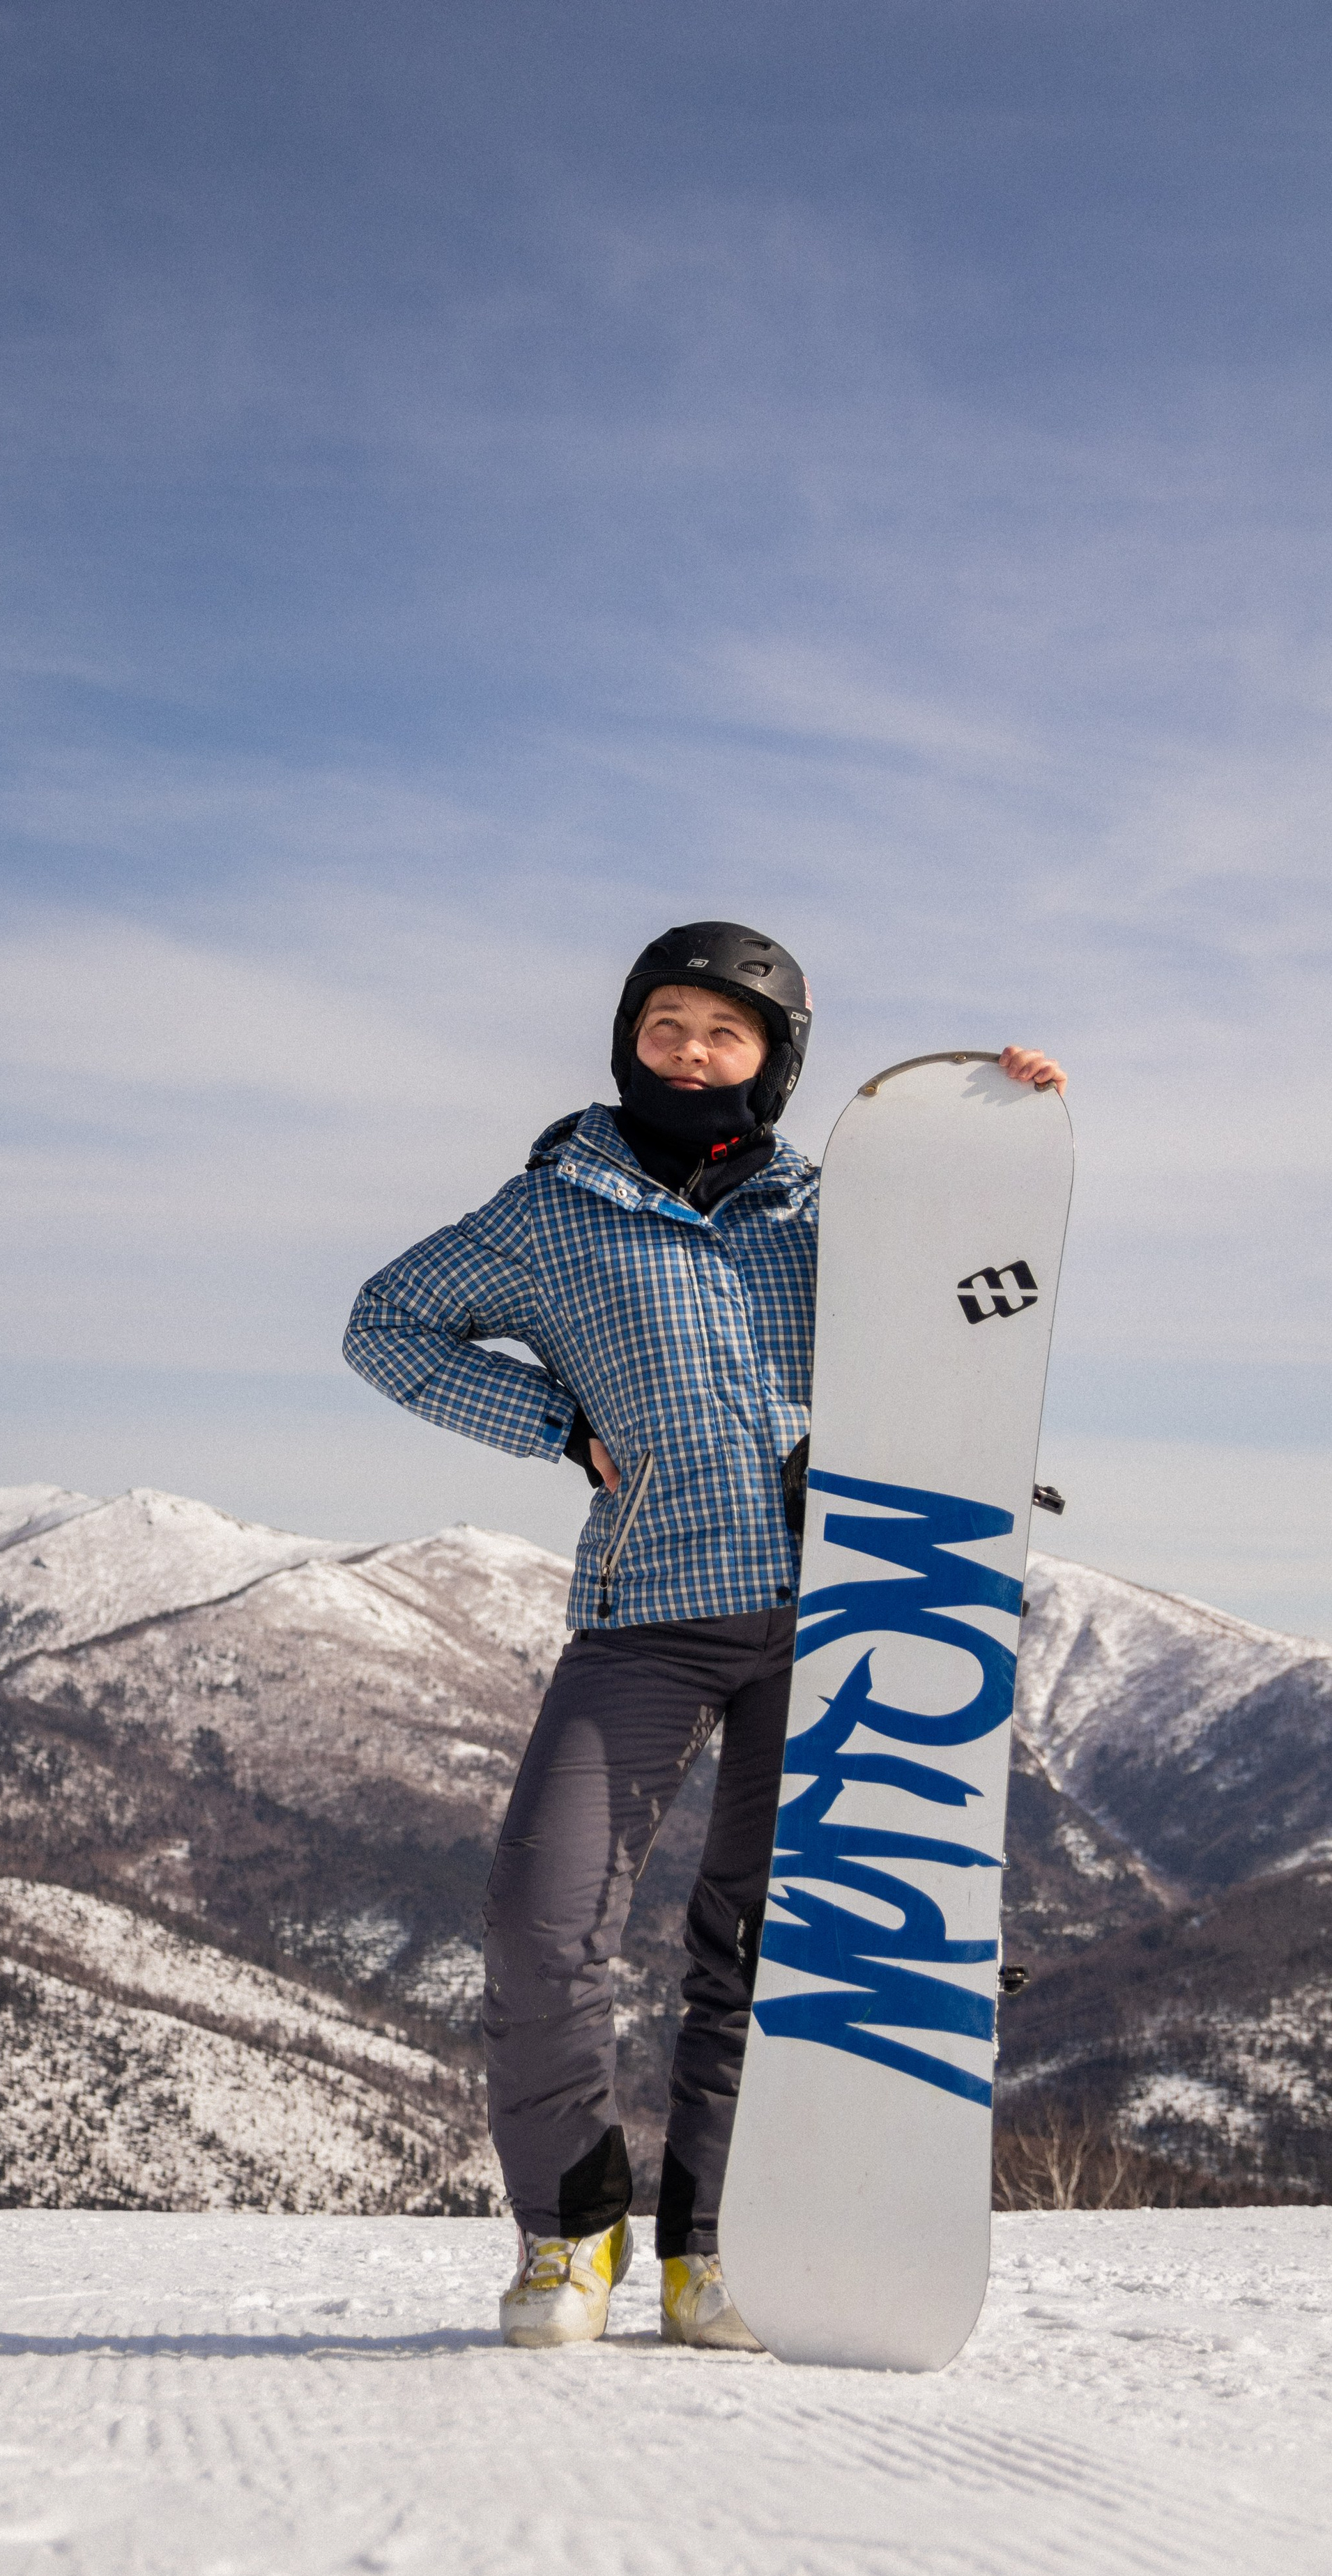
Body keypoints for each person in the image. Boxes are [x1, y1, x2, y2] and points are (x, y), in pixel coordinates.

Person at [342, 923, 1066, 2350]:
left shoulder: (833, 1204)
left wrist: (1001, 1121)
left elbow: (971, 1307)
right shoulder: (548, 1212)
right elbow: (388, 1324)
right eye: (665, 1022)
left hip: (847, 1611)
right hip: (645, 1616)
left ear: (772, 1061)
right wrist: (550, 1425)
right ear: (627, 1036)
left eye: (723, 1033)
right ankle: (567, 2241)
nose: (689, 1051)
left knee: (762, 1947)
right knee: (540, 1925)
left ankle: (709, 2252)